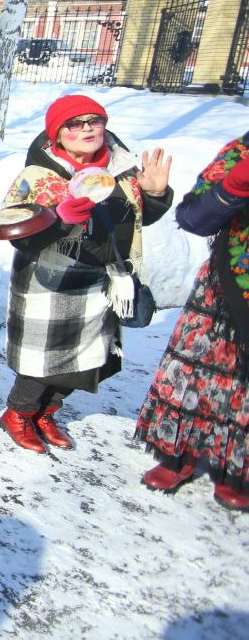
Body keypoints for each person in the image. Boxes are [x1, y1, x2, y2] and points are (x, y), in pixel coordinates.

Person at [0, 94, 171, 453]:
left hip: (104, 279)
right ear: (57, 134)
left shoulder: (122, 168)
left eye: (94, 120)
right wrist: (58, 220)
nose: (87, 129)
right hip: (52, 280)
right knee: (44, 358)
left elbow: (136, 218)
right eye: (75, 124)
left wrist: (156, 195)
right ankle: (19, 412)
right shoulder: (39, 176)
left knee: (90, 358)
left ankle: (47, 411)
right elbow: (14, 232)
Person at [135, 133, 249, 510]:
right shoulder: (240, 152)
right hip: (228, 282)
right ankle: (179, 450)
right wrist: (233, 187)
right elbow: (193, 217)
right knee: (198, 370)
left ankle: (236, 465)